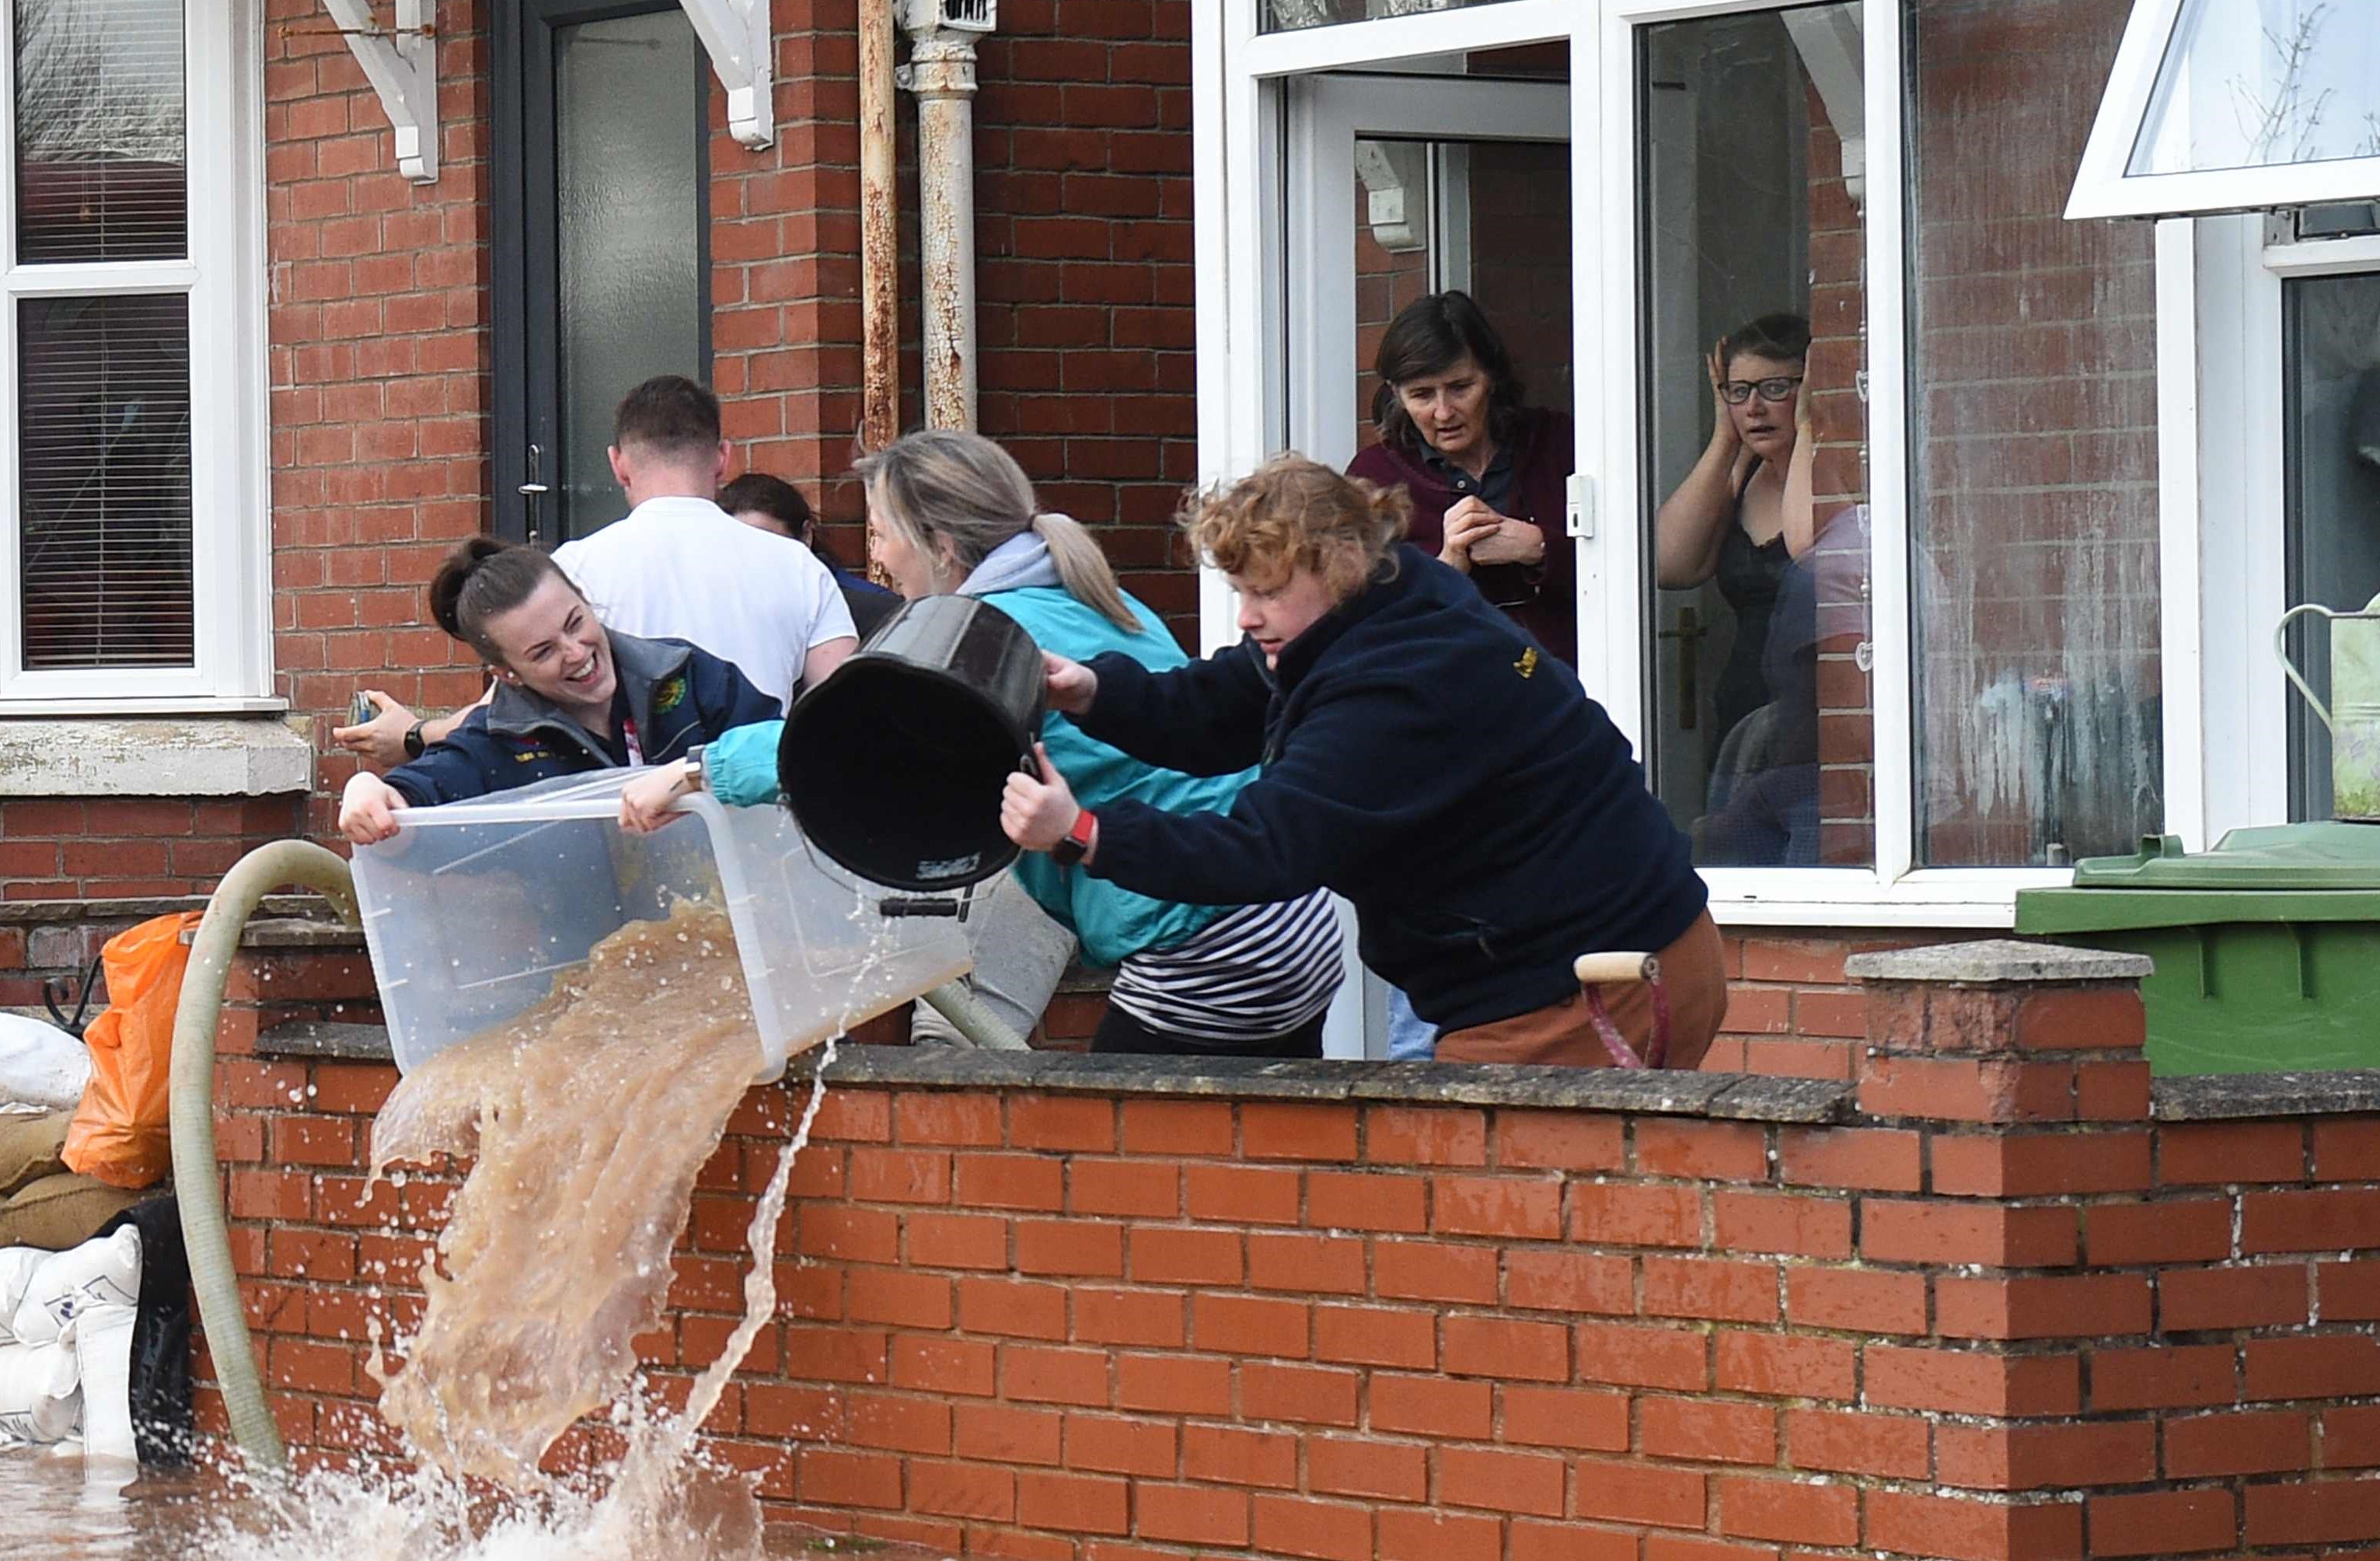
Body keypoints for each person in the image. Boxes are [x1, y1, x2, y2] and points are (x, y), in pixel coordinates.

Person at [630, 431, 1346, 1056]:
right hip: (1287, 920)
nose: (877, 561)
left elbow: (844, 744)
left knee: (1117, 1164)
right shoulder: (1087, 591)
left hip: (1207, 946)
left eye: (882, 534)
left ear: (940, 546)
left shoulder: (977, 633)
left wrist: (694, 774)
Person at [1000, 456, 1723, 1070]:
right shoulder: (1385, 598)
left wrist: (1085, 832)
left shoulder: (1396, 690)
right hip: (1609, 955)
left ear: (1340, 564)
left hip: (1589, 984)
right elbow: (1222, 703)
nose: (1247, 617)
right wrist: (1091, 691)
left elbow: (1265, 848)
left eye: (1267, 591)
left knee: (1484, 1222)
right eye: (1241, 591)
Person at [337, 538, 774, 842]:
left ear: (585, 599)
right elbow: (412, 796)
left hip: (732, 928)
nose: (575, 652)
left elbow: (784, 752)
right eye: (543, 651)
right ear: (508, 674)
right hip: (582, 955)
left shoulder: (688, 676)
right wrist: (366, 790)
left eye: (575, 622)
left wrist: (694, 773)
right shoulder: (494, 740)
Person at [550, 377, 857, 707]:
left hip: (624, 760)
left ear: (618, 465)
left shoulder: (570, 569)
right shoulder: (798, 565)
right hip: (759, 757)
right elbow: (843, 708)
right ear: (723, 458)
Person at [1654, 313, 1823, 865]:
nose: (1754, 407)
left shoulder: (1837, 468)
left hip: (1813, 725)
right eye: (1738, 391)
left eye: (1776, 388)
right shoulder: (1741, 476)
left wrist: (1811, 428)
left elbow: (1806, 547)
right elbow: (1670, 565)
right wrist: (1724, 437)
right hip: (1742, 721)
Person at [1347, 291, 1575, 665]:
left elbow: (1627, 567)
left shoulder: (1557, 443)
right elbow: (1359, 621)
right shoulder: (1374, 478)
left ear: (1492, 378)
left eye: (1460, 388)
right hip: (1443, 700)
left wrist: (1540, 547)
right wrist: (1447, 566)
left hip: (1568, 688)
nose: (1442, 412)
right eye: (1421, 395)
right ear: (1397, 396)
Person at [717, 468, 902, 644]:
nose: (753, 556)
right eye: (738, 543)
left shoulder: (876, 610)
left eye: (767, 542)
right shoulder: (720, 606)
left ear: (806, 535)